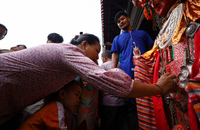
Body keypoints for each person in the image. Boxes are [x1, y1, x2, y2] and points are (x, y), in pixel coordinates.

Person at [0, 33, 177, 127]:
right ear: (84, 45)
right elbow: (108, 79)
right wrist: (158, 88)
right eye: (96, 51)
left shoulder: (67, 63)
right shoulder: (69, 51)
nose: (98, 58)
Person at [128, 0, 200, 129]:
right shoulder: (162, 35)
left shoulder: (192, 8)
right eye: (149, 1)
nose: (152, 1)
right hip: (171, 97)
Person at [111, 11, 154, 130]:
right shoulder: (117, 38)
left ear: (128, 18)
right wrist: (113, 72)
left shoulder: (143, 33)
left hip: (145, 73)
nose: (121, 22)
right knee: (131, 107)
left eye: (122, 19)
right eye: (118, 22)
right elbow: (115, 55)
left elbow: (151, 50)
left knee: (148, 102)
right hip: (127, 76)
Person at [18, 79, 83, 130]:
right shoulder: (56, 108)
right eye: (76, 95)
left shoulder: (52, 106)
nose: (78, 100)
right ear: (62, 94)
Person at [99, 50, 126, 130]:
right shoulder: (120, 65)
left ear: (104, 58)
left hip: (108, 102)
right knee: (120, 126)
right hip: (122, 102)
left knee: (108, 126)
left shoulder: (103, 66)